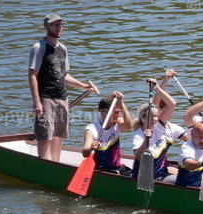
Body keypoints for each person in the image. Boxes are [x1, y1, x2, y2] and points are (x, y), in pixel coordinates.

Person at [27, 13, 95, 160]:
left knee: (58, 135)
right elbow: (32, 75)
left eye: (60, 25)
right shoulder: (39, 47)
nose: (59, 28)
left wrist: (82, 85)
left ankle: (55, 163)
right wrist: (36, 101)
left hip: (62, 98)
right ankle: (44, 163)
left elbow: (63, 75)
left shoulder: (62, 48)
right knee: (45, 135)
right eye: (55, 25)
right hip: (46, 98)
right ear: (46, 27)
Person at [131, 71, 188, 182]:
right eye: (150, 117)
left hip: (162, 174)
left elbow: (172, 104)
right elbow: (138, 156)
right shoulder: (138, 135)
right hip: (145, 178)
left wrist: (157, 88)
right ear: (143, 119)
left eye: (156, 116)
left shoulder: (159, 126)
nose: (155, 119)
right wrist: (146, 140)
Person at [80, 91, 132, 174]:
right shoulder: (91, 129)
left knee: (138, 174)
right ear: (106, 111)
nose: (119, 115)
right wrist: (91, 147)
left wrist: (121, 103)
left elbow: (129, 126)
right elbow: (85, 153)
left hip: (117, 167)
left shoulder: (117, 123)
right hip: (102, 170)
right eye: (116, 112)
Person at [174, 115, 203, 188]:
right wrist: (202, 162)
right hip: (186, 187)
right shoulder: (187, 148)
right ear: (192, 134)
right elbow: (188, 164)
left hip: (201, 184)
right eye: (199, 137)